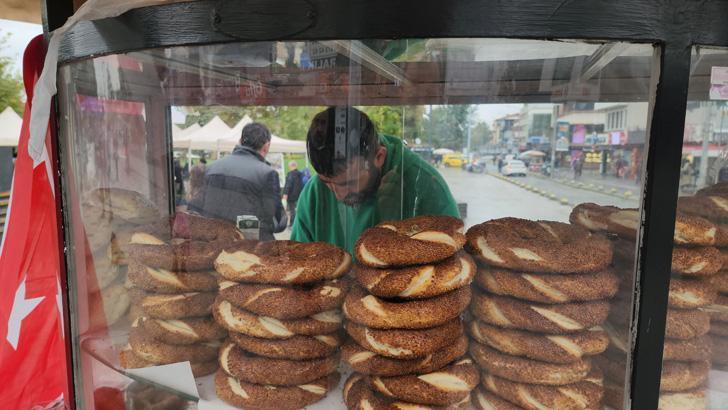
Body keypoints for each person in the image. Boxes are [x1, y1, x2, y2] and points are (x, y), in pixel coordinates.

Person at [290, 106, 459, 253]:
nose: (338, 195)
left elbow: (453, 265)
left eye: (348, 183)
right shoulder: (313, 192)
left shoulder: (427, 188)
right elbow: (296, 264)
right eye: (327, 183)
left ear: (379, 156)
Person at [189, 123, 286, 240]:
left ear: (240, 141)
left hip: (215, 244)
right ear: (267, 146)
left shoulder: (212, 168)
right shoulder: (267, 173)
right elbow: (276, 220)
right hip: (249, 249)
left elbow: (196, 207)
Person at [282, 160, 304, 228]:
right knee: (298, 209)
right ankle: (299, 224)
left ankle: (292, 224)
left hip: (291, 196)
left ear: (291, 166)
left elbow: (288, 184)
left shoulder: (290, 174)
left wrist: (285, 193)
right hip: (299, 195)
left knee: (292, 210)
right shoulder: (300, 174)